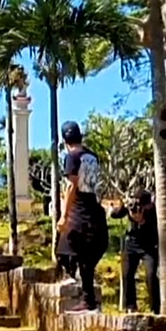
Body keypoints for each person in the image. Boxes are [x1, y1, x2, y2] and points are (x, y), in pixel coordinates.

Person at [56, 120, 108, 312]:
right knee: (87, 252)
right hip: (93, 204)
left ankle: (76, 281)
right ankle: (87, 296)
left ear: (65, 140)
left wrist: (63, 215)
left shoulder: (72, 156)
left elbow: (72, 185)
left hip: (79, 206)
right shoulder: (92, 155)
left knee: (65, 245)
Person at [110, 189, 160, 313]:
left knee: (151, 275)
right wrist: (122, 206)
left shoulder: (153, 210)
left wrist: (143, 220)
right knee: (127, 274)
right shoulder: (131, 207)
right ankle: (130, 306)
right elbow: (115, 215)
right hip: (132, 243)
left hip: (149, 245)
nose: (137, 207)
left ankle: (156, 307)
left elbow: (159, 225)